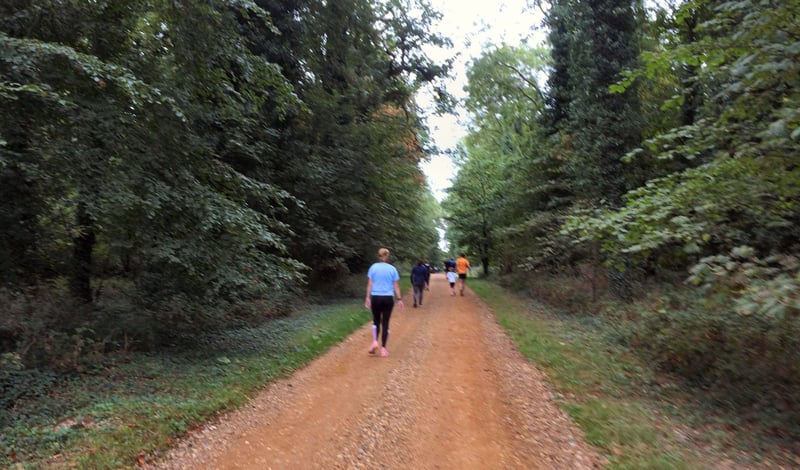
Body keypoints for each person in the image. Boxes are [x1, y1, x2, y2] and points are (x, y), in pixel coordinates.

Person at [365, 248, 404, 357]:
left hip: (376, 297)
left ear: (378, 256)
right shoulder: (392, 269)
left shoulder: (373, 267)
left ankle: (374, 341)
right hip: (388, 298)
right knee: (385, 323)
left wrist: (368, 298)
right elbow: (396, 285)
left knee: (376, 321)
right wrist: (400, 299)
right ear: (388, 257)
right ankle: (383, 349)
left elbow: (370, 284)